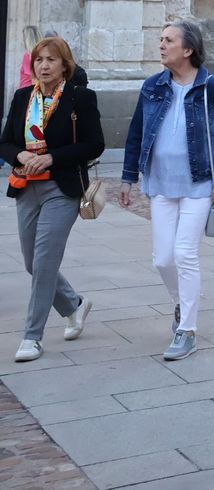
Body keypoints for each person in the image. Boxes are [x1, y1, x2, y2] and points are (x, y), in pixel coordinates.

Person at [118, 19, 214, 361]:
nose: (161, 45)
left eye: (168, 40)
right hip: (160, 182)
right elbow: (136, 132)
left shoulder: (211, 87)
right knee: (162, 259)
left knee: (185, 253)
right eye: (161, 39)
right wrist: (127, 177)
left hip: (198, 182)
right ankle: (181, 306)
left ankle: (187, 330)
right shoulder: (152, 86)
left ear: (188, 50)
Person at [3, 36, 102, 362]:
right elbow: (4, 143)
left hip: (62, 189)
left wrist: (51, 158)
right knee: (33, 262)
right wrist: (19, 153)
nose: (44, 66)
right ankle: (73, 305)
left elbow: (94, 144)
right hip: (25, 187)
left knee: (45, 262)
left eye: (51, 60)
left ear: (64, 66)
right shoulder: (21, 98)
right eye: (39, 60)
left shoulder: (79, 98)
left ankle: (32, 337)